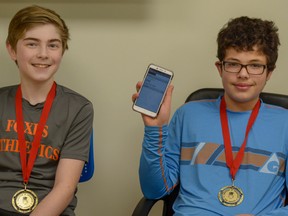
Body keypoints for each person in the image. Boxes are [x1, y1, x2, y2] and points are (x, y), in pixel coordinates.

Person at [132, 16, 288, 215]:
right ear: (220, 68)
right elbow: (154, 190)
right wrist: (155, 129)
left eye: (255, 65)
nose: (243, 74)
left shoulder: (285, 124)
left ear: (269, 73)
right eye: (233, 64)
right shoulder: (187, 115)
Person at [0, 5, 94, 216]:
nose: (43, 54)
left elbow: (65, 188)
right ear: (12, 49)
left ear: (62, 50)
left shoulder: (79, 108)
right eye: (32, 44)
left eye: (53, 45)